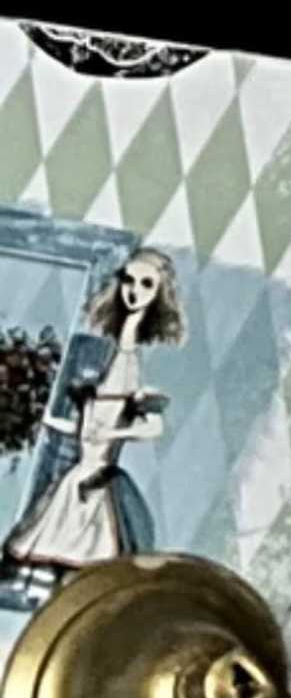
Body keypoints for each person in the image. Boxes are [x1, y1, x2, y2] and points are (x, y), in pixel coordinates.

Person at [4, 247, 178, 588]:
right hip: (78, 473)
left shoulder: (130, 359)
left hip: (98, 475)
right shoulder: (112, 355)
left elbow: (152, 425)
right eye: (128, 280)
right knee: (49, 534)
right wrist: (49, 422)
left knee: (90, 542)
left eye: (146, 284)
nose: (134, 290)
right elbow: (81, 428)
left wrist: (116, 432)